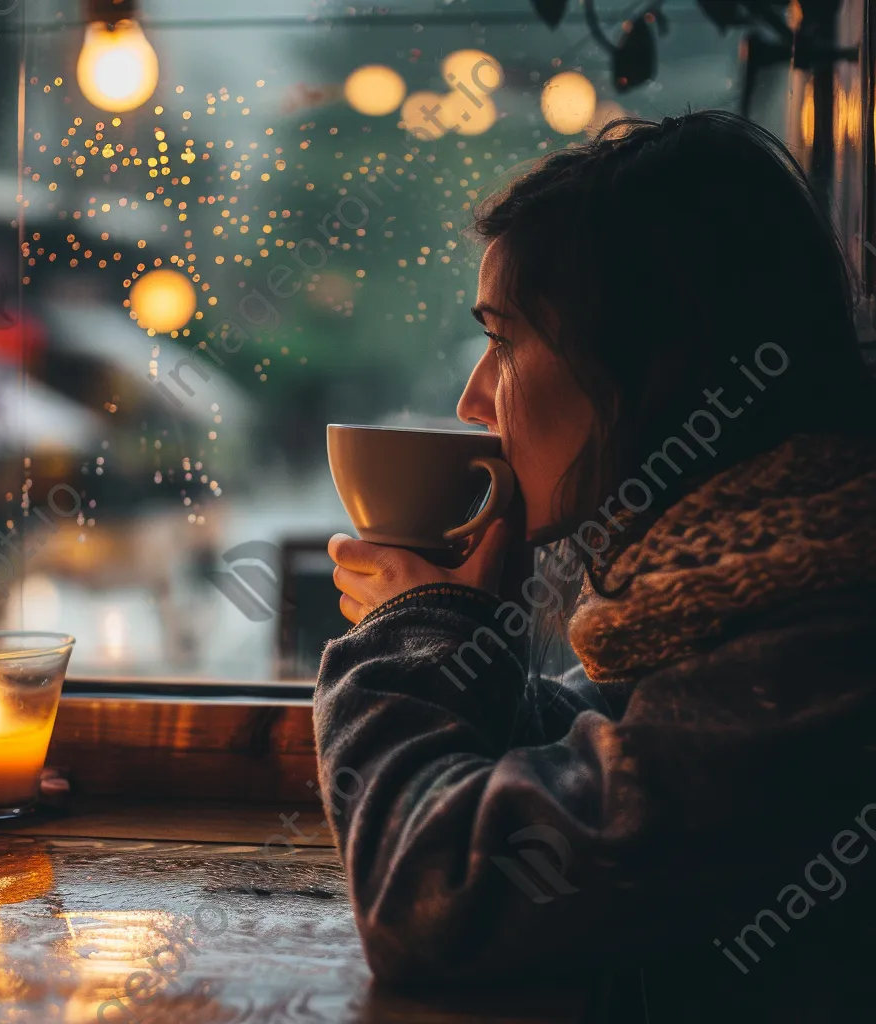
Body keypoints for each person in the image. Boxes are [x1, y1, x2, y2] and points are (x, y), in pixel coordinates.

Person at [315, 110, 876, 1022]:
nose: (472, 401)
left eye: (502, 342)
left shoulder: (821, 653)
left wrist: (412, 641)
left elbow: (436, 898)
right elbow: (599, 753)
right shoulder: (745, 585)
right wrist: (462, 632)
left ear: (655, 363)